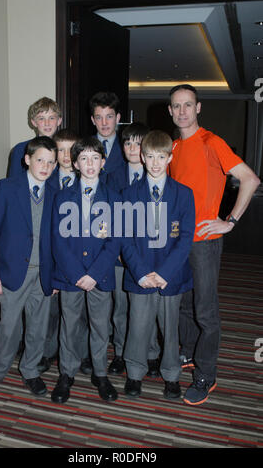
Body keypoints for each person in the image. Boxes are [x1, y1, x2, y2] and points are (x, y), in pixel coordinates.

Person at [168, 84, 260, 405]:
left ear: (198, 108)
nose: (182, 111)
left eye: (187, 105)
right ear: (170, 111)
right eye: (176, 106)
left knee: (206, 311)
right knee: (183, 305)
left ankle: (207, 374)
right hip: (178, 241)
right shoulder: (174, 149)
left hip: (205, 241)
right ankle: (190, 353)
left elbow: (250, 179)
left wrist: (229, 220)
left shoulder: (211, 142)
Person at [0, 137, 58, 396]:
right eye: (40, 160)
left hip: (43, 274)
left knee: (38, 326)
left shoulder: (55, 193)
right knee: (9, 326)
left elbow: (56, 239)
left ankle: (31, 369)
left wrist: (54, 277)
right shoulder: (6, 188)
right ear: (27, 160)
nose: (45, 166)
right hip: (12, 272)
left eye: (51, 162)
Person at [121, 130, 195, 400]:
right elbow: (124, 238)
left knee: (170, 328)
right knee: (138, 327)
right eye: (149, 156)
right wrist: (141, 273)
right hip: (140, 274)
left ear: (170, 157)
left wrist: (164, 273)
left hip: (170, 275)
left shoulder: (184, 194)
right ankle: (135, 372)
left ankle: (172, 374)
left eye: (160, 157)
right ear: (141, 157)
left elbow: (186, 238)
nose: (154, 163)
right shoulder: (128, 194)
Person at [51, 136, 121, 404]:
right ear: (76, 164)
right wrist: (76, 272)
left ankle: (100, 374)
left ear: (103, 162)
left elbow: (115, 240)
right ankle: (66, 373)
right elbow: (57, 239)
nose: (89, 164)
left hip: (100, 276)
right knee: (69, 326)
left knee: (100, 325)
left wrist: (93, 274)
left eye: (95, 158)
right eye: (83, 158)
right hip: (70, 276)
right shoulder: (62, 197)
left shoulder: (114, 198)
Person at [106, 122, 161, 378]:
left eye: (138, 143)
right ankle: (120, 352)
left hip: (148, 256)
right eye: (127, 142)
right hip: (119, 256)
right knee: (121, 307)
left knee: (146, 307)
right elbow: (108, 217)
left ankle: (151, 352)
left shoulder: (159, 176)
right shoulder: (112, 176)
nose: (132, 148)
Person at [38, 129, 92, 375]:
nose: (66, 155)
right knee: (49, 311)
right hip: (50, 256)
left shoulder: (89, 181)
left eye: (72, 149)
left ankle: (80, 353)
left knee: (77, 312)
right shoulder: (45, 180)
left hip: (78, 259)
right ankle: (47, 352)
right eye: (60, 149)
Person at [8, 97, 62, 177]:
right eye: (41, 118)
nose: (47, 123)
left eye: (51, 118)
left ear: (59, 121)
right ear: (34, 122)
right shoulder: (20, 149)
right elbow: (13, 183)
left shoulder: (65, 150)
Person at [89, 91, 126, 181]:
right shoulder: (83, 146)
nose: (104, 123)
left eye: (109, 116)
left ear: (117, 118)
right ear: (93, 120)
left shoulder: (127, 147)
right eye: (99, 117)